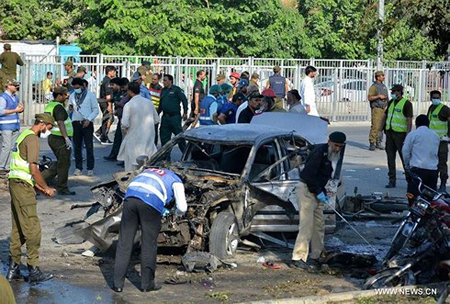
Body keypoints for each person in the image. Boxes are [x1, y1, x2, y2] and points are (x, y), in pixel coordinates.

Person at [112, 168, 187, 292]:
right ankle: (147, 285)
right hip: (150, 202)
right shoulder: (176, 181)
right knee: (148, 244)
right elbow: (182, 207)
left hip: (130, 198)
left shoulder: (151, 171)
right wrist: (174, 212)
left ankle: (117, 284)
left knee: (124, 242)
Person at [6, 113, 56, 284]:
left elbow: (22, 169)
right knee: (33, 229)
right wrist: (47, 187)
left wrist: (39, 187)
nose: (48, 131)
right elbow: (33, 169)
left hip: (15, 184)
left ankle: (14, 269)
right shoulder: (33, 139)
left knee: (18, 228)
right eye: (49, 128)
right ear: (42, 125)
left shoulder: (22, 135)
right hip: (23, 188)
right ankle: (33, 270)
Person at [291, 132, 346, 270]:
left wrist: (323, 191)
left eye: (340, 146)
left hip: (317, 191)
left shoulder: (332, 155)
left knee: (319, 225)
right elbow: (309, 175)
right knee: (306, 226)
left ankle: (317, 255)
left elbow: (324, 174)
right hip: (306, 191)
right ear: (329, 142)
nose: (337, 149)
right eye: (335, 146)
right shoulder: (319, 152)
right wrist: (319, 191)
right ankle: (298, 257)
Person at [117, 82, 160, 171]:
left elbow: (124, 124)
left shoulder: (128, 105)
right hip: (148, 141)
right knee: (148, 168)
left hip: (133, 141)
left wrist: (126, 131)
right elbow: (156, 120)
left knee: (131, 171)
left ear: (129, 91)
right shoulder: (149, 103)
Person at [41, 86, 76, 195]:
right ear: (59, 95)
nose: (66, 97)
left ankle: (38, 180)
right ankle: (62, 187)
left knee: (60, 163)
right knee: (64, 164)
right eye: (65, 95)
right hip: (60, 139)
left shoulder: (51, 105)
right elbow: (60, 123)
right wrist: (66, 138)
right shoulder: (58, 107)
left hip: (54, 138)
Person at [380, 84, 413, 188]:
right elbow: (385, 116)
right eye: (392, 92)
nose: (393, 93)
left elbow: (409, 119)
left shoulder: (406, 104)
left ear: (399, 92)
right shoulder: (391, 102)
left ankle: (410, 180)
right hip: (390, 133)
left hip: (400, 135)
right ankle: (392, 180)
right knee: (390, 157)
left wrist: (408, 134)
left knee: (404, 158)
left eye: (394, 92)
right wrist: (380, 130)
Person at [402, 115, 439, 203]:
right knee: (429, 198)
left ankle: (414, 215)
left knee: (413, 197)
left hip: (418, 170)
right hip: (432, 170)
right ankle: (428, 216)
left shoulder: (413, 134)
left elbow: (405, 151)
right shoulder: (435, 135)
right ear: (428, 124)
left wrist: (407, 165)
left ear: (416, 124)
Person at [68, 78, 100, 176]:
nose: (76, 89)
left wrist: (89, 119)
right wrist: (70, 109)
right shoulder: (72, 96)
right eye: (74, 87)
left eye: (78, 87)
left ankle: (90, 168)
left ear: (83, 86)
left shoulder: (90, 95)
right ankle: (78, 168)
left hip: (87, 123)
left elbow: (95, 110)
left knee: (89, 146)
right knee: (77, 147)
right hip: (76, 122)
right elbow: (68, 108)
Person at [426, 90, 450, 191]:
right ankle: (432, 184)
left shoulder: (444, 109)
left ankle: (443, 183)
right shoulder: (431, 108)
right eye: (434, 98)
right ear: (431, 98)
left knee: (442, 163)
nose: (436, 99)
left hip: (442, 141)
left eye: (437, 98)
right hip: (431, 141)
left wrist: (448, 135)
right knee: (432, 163)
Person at [159, 74, 188, 151]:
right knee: (164, 139)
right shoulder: (163, 91)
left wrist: (185, 112)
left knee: (179, 137)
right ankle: (166, 158)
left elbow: (184, 100)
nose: (163, 82)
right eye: (163, 80)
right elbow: (161, 104)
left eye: (165, 80)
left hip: (174, 117)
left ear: (170, 81)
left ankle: (185, 155)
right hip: (165, 117)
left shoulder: (176, 90)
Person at [105, 78, 131, 162]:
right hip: (121, 118)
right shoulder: (119, 92)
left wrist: (120, 104)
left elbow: (130, 106)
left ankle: (125, 159)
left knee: (126, 139)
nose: (122, 88)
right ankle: (114, 154)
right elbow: (113, 100)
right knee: (118, 137)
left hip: (127, 119)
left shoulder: (129, 94)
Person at [0, 80, 23, 173]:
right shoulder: (3, 97)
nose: (16, 87)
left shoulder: (15, 97)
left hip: (15, 125)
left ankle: (8, 167)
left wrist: (20, 109)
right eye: (14, 85)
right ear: (8, 86)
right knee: (7, 146)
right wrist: (15, 110)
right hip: (6, 126)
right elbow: (1, 111)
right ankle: (1, 167)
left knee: (12, 147)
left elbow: (17, 110)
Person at [368, 71, 389, 151]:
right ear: (378, 77)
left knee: (382, 127)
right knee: (375, 126)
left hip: (384, 108)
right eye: (382, 76)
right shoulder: (374, 87)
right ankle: (372, 142)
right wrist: (378, 96)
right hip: (377, 109)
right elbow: (369, 97)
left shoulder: (383, 86)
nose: (383, 77)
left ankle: (378, 142)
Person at [95, 66, 116, 145]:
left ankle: (99, 132)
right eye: (114, 71)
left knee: (109, 118)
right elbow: (108, 95)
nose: (114, 73)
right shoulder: (108, 81)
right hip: (105, 102)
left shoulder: (106, 79)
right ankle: (103, 137)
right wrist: (109, 105)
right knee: (108, 118)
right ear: (110, 71)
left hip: (103, 102)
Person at [149, 74, 163, 145]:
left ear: (158, 80)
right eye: (152, 79)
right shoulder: (149, 87)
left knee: (154, 129)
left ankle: (154, 144)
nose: (153, 81)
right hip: (148, 111)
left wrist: (158, 111)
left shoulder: (161, 89)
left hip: (156, 111)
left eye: (155, 79)